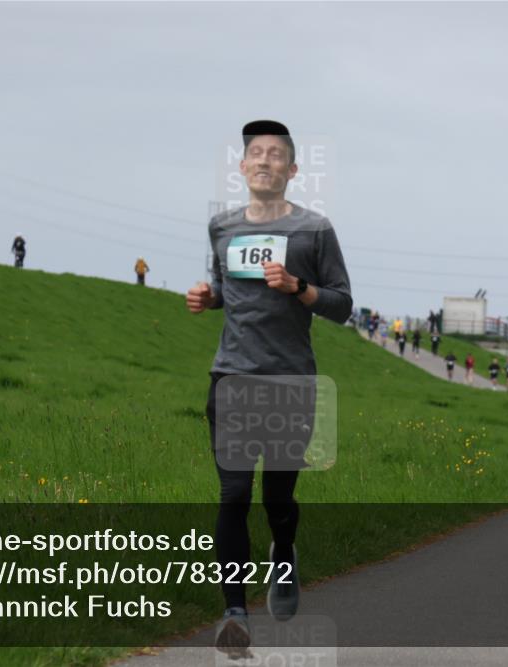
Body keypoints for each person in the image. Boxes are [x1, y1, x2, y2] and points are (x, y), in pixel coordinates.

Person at [185, 120, 352, 656]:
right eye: (255, 153)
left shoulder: (314, 230)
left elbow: (342, 304)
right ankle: (234, 614)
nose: (264, 161)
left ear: (292, 169)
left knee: (277, 498)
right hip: (231, 377)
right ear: (242, 167)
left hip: (289, 382)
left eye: (275, 154)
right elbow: (226, 289)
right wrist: (208, 298)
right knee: (234, 494)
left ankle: (284, 552)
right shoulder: (222, 227)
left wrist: (299, 287)